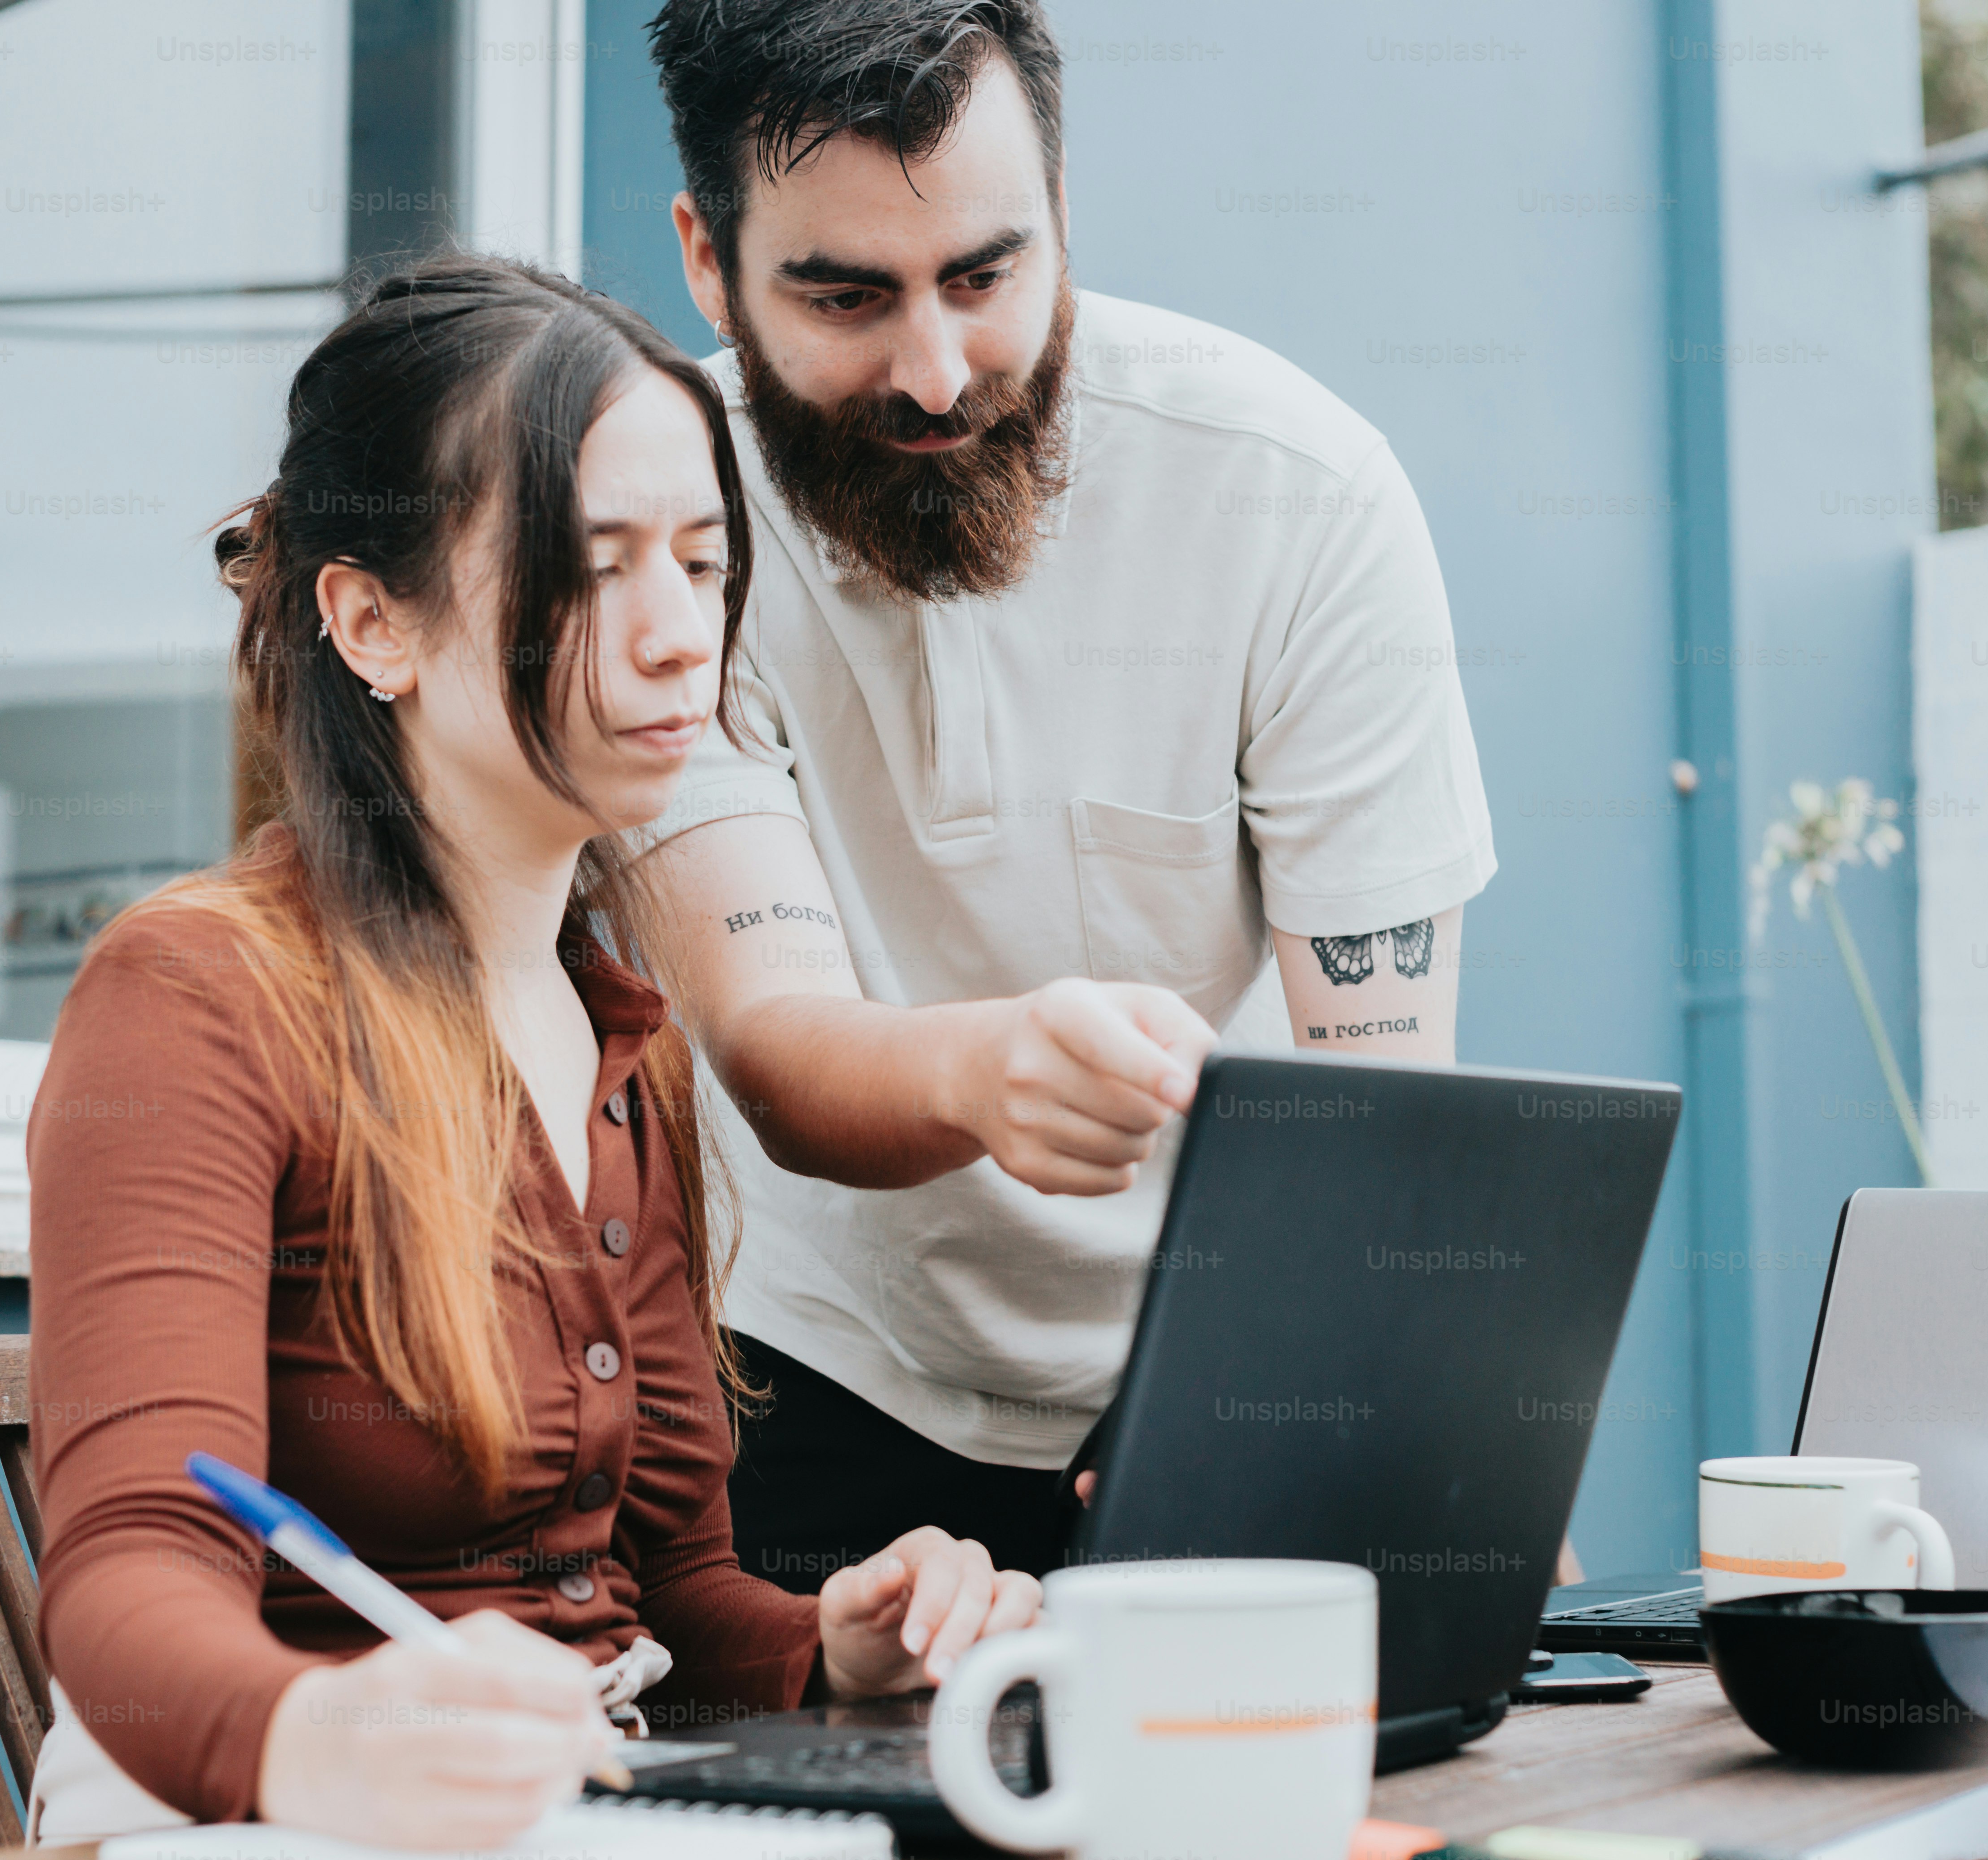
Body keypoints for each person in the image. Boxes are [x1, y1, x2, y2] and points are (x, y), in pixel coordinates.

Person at [23, 254, 1039, 1851]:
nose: (674, 639)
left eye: (704, 567)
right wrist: (319, 1727)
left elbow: (676, 1601)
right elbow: (132, 1571)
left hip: (571, 1837)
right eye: (594, 566)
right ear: (371, 621)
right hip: (254, 1850)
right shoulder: (201, 996)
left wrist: (835, 1644)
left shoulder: (625, 1035)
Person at [624, 0, 1531, 1589]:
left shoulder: (1297, 495)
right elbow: (771, 1050)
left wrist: (1254, 1398)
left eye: (987, 277)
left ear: (1059, 205)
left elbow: (1380, 1102)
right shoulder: (660, 532)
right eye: (845, 296)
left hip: (1224, 1349)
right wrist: (981, 1071)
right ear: (709, 260)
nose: (931, 373)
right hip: (817, 1375)